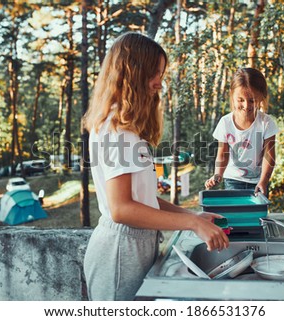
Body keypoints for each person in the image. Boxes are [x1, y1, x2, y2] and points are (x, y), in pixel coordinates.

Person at [82, 32, 229, 301]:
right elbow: (121, 209)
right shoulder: (117, 130)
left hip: (132, 248)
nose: (159, 83)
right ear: (133, 72)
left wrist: (193, 216)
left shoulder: (126, 129)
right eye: (155, 73)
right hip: (119, 255)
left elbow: (144, 201)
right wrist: (191, 223)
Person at [204, 67, 279, 196]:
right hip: (233, 180)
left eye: (252, 100)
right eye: (241, 100)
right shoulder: (225, 123)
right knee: (236, 213)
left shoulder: (266, 123)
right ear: (232, 96)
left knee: (257, 214)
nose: (246, 105)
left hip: (258, 181)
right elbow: (222, 155)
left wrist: (263, 181)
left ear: (261, 97)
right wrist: (217, 174)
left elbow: (269, 156)